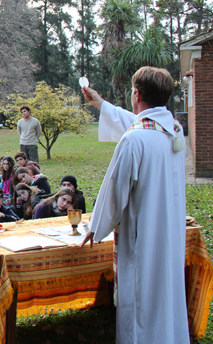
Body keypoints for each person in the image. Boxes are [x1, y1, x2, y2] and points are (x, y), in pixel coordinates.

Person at [80, 66, 189, 344]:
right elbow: (140, 123)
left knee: (142, 301)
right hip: (169, 235)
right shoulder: (175, 131)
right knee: (165, 296)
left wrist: (97, 225)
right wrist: (101, 104)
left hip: (143, 239)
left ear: (136, 93)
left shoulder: (134, 139)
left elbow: (115, 190)